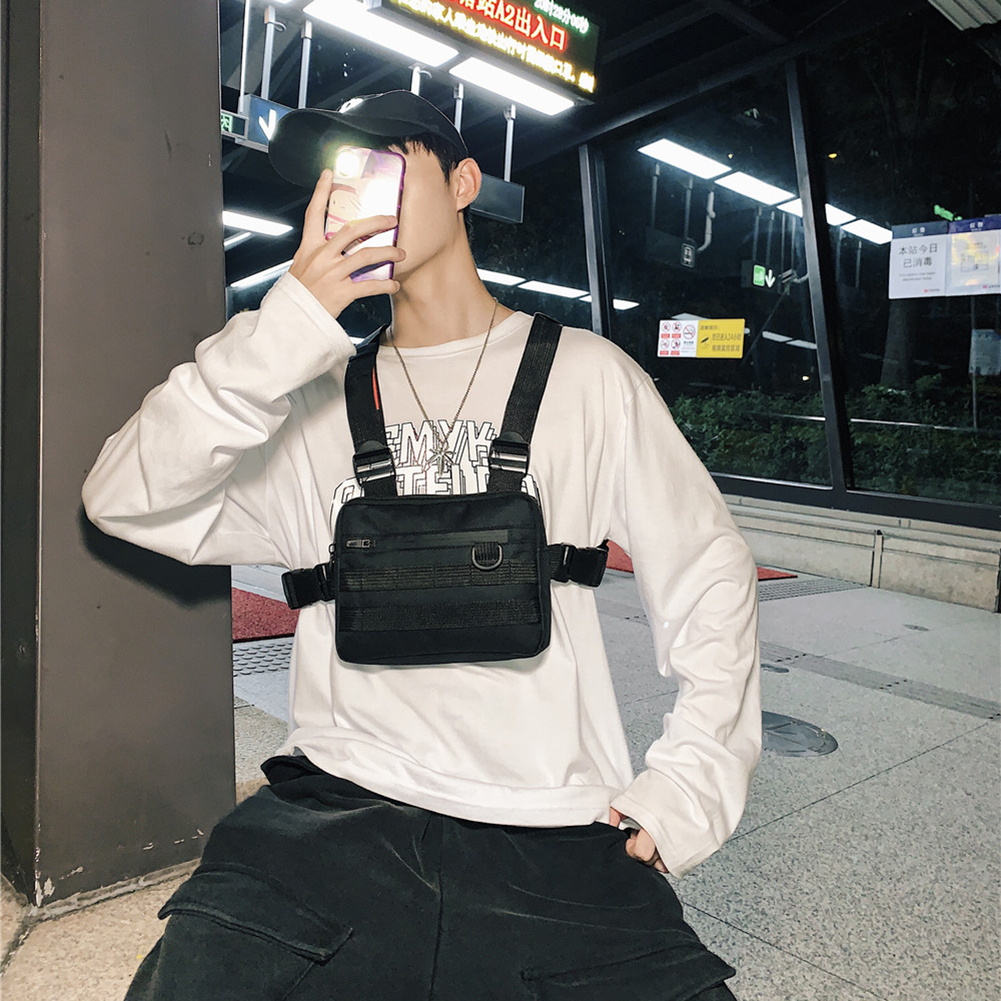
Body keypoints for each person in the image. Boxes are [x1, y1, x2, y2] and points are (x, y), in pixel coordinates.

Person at [82, 90, 761, 1001]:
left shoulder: (589, 376)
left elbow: (710, 575)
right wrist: (288, 324)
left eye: (385, 164)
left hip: (554, 823)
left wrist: (690, 786)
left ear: (464, 181)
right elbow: (122, 497)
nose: (357, 191)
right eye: (339, 175)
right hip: (331, 811)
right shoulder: (307, 396)